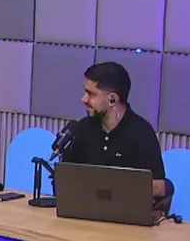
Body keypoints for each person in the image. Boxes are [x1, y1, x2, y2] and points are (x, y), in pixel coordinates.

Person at [63, 61, 169, 200]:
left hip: (126, 211)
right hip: (83, 209)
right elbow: (65, 178)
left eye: (91, 94)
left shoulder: (142, 133)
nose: (84, 99)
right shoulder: (82, 129)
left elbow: (158, 187)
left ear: (112, 100)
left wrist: (109, 189)